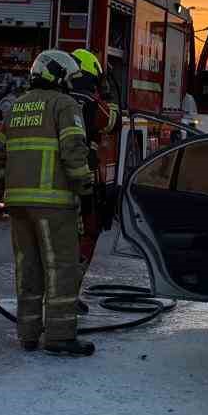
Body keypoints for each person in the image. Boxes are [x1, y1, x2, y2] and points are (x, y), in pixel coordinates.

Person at [0, 49, 96, 357]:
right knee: (60, 268)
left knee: (29, 269)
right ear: (60, 75)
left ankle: (28, 333)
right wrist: (86, 190)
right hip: (54, 204)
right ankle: (60, 336)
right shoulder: (65, 105)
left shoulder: (17, 107)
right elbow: (73, 151)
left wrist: (8, 186)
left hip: (18, 204)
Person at [68, 48, 119, 303]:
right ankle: (68, 293)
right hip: (85, 183)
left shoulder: (57, 99)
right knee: (87, 234)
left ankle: (53, 293)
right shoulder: (91, 103)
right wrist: (109, 96)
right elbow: (112, 122)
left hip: (53, 183)